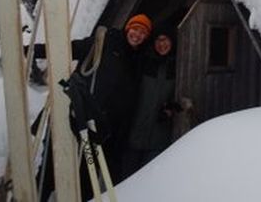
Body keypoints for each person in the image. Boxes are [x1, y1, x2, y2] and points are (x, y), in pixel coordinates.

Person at [32, 13, 153, 200]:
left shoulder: (137, 60)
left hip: (99, 130)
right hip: (77, 115)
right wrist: (32, 50)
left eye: (143, 33)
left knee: (87, 177)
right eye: (135, 29)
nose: (137, 35)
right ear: (128, 27)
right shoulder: (104, 41)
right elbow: (70, 49)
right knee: (53, 167)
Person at [122, 28, 179, 176]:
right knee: (126, 180)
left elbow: (183, 96)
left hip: (159, 138)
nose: (162, 44)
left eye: (165, 39)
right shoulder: (143, 62)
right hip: (134, 134)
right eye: (158, 40)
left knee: (149, 180)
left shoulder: (178, 66)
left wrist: (171, 108)